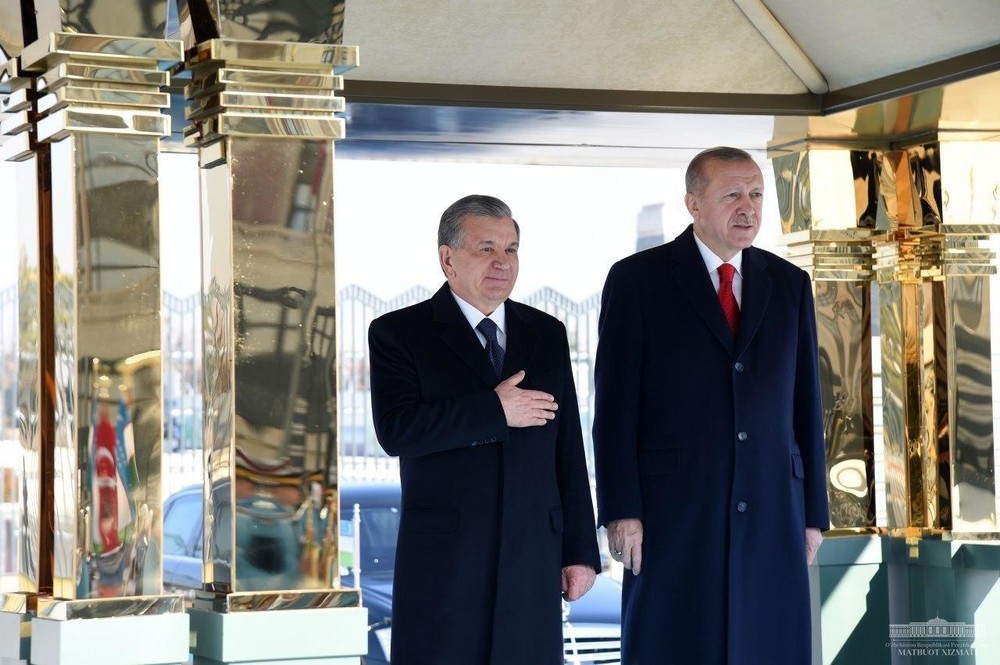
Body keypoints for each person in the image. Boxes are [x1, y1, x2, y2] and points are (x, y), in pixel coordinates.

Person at [593, 147, 829, 664]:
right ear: (694, 203)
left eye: (756, 194)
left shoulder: (790, 284)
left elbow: (805, 406)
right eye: (732, 195)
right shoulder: (637, 281)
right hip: (673, 514)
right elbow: (613, 411)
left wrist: (812, 515)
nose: (748, 207)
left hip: (773, 510)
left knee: (768, 645)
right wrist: (621, 511)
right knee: (675, 643)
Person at [368, 194, 600, 665]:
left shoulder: (547, 333)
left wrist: (580, 550)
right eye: (486, 248)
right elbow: (396, 430)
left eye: (511, 249)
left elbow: (568, 449)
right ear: (447, 258)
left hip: (532, 559)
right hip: (445, 564)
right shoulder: (399, 332)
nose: (502, 262)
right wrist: (494, 411)